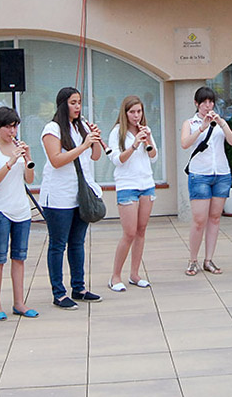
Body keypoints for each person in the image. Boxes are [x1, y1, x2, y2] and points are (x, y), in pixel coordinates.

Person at [40, 87, 104, 309]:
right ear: (63, 104)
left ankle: (79, 287)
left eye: (79, 102)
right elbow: (56, 159)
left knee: (77, 243)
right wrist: (83, 145)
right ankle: (58, 293)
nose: (78, 107)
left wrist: (94, 139)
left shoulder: (81, 127)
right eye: (73, 102)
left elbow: (95, 156)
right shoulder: (53, 128)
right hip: (58, 195)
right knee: (58, 245)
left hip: (80, 194)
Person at [0, 106, 38, 320]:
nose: (12, 131)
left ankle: (19, 303)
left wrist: (28, 158)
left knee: (19, 258)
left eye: (15, 127)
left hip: (21, 210)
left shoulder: (19, 149)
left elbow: (29, 179)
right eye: (8, 127)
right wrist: (11, 161)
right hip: (0, 211)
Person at [181, 86, 232, 275]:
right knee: (199, 219)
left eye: (211, 102)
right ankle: (192, 260)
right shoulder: (190, 122)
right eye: (204, 102)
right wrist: (202, 127)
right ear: (197, 104)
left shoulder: (220, 122)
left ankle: (209, 260)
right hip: (200, 175)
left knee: (215, 218)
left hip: (221, 173)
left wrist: (221, 123)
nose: (208, 105)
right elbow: (185, 143)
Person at [107, 95, 158, 291]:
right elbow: (118, 160)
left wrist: (148, 138)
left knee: (141, 230)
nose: (136, 116)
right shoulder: (117, 133)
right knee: (129, 232)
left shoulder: (146, 130)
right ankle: (115, 276)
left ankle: (135, 274)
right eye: (132, 112)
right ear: (125, 113)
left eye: (139, 111)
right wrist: (134, 144)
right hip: (127, 185)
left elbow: (154, 157)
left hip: (146, 183)